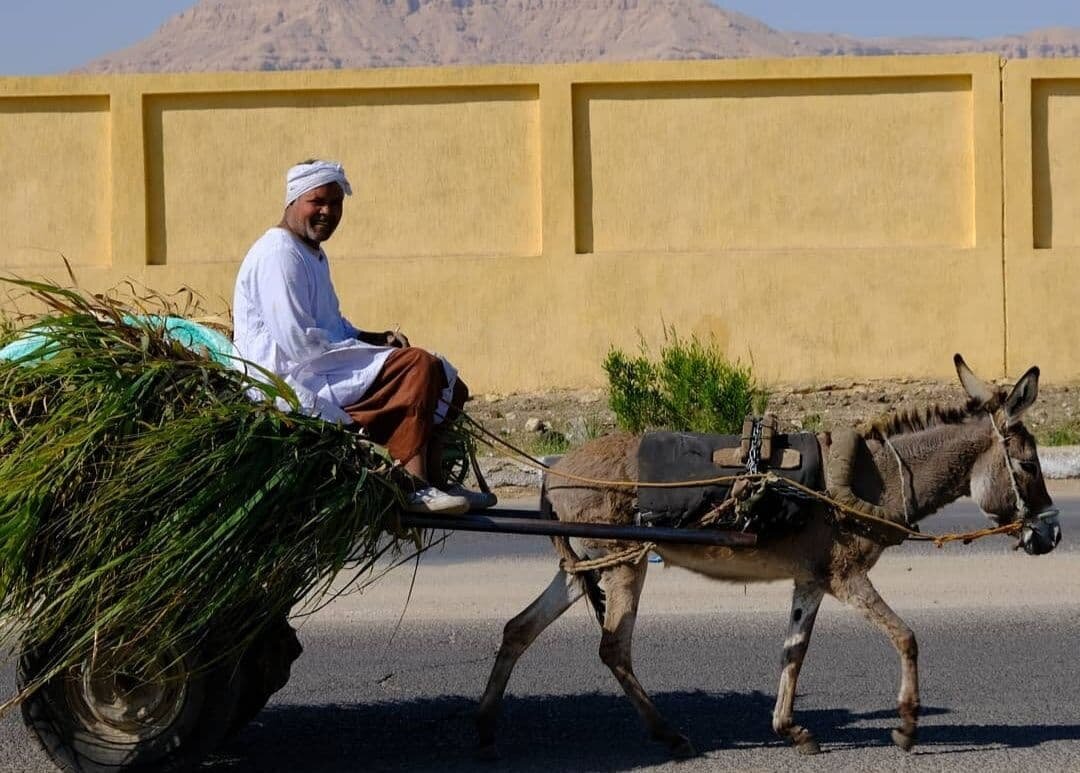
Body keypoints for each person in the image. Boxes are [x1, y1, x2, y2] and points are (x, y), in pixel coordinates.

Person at [232, 159, 496, 514]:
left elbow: (332, 324)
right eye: (318, 202)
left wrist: (373, 339)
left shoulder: (311, 253)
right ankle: (413, 486)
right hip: (292, 377)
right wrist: (363, 354)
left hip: (320, 365)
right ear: (294, 200)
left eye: (336, 203)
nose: (328, 212)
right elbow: (299, 343)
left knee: (444, 377)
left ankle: (436, 480)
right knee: (416, 366)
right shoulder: (279, 254)